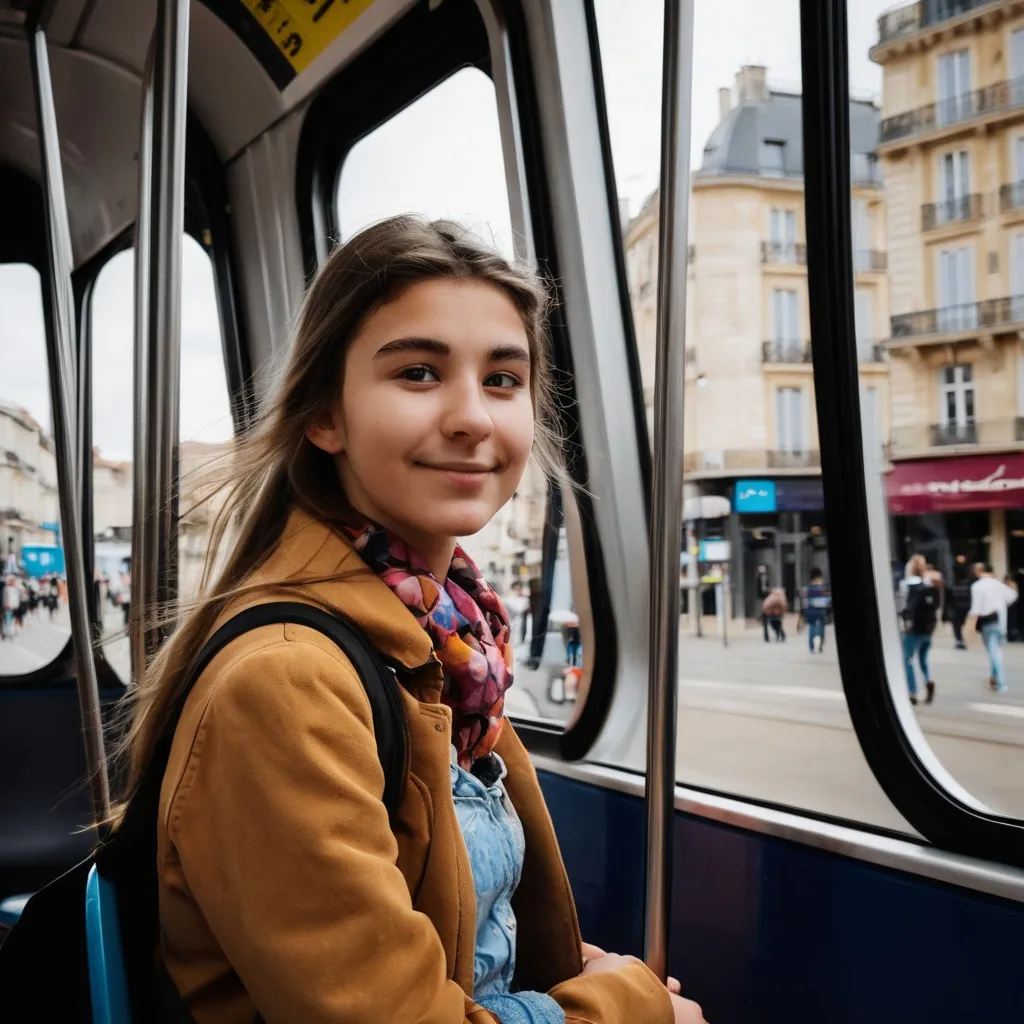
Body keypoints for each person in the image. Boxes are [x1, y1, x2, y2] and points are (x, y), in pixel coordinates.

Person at [108, 218, 703, 1024]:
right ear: (325, 416)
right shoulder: (286, 683)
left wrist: (582, 976)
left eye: (502, 380)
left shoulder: (448, 645)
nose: (472, 418)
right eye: (420, 373)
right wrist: (630, 1010)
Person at [968, 563, 1018, 693]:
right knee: (996, 650)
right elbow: (1012, 596)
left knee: (994, 652)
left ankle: (1001, 682)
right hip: (1000, 621)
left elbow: (976, 608)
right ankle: (995, 678)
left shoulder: (977, 586)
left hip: (987, 622)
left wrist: (970, 625)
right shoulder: (998, 584)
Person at [899, 554, 939, 705]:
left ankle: (912, 691)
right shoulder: (928, 586)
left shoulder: (906, 585)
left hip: (913, 628)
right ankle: (928, 681)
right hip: (927, 628)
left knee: (907, 659)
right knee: (923, 659)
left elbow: (903, 606)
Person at [801, 568, 832, 654]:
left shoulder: (807, 588)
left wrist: (803, 610)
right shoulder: (824, 587)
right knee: (821, 627)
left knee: (812, 626)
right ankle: (820, 644)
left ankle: (812, 646)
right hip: (821, 610)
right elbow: (828, 600)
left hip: (811, 610)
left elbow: (804, 601)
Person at [947, 561, 972, 650]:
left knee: (957, 625)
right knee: (961, 624)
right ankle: (961, 640)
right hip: (965, 606)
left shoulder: (953, 583)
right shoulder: (968, 583)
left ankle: (959, 640)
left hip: (957, 607)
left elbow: (949, 597)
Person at [755, 563, 772, 642]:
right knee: (765, 617)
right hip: (762, 598)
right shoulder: (758, 579)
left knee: (768, 615)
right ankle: (766, 636)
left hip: (767, 598)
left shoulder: (767, 578)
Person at [2, 575, 18, 640]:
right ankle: (7, 632)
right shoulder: (6, 588)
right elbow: (4, 597)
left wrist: (16, 605)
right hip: (8, 606)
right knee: (7, 619)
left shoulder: (15, 588)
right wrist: (6, 604)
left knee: (11, 619)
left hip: (14, 606)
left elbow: (16, 598)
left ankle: (8, 631)